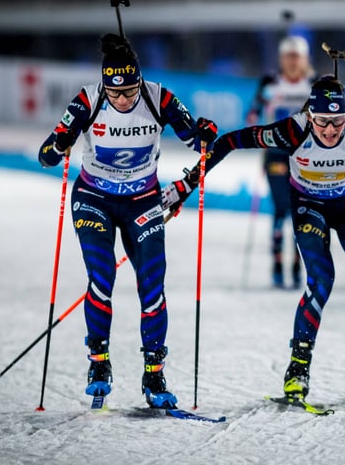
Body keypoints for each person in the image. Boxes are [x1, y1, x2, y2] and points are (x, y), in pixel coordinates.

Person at [163, 75, 345, 401]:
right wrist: (186, 185)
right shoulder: (292, 130)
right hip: (310, 206)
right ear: (310, 114)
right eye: (323, 121)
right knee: (322, 280)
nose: (331, 130)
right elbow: (228, 142)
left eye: (337, 122)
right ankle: (298, 368)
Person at [38, 33, 218, 408]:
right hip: (94, 199)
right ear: (105, 85)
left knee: (152, 283)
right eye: (115, 93)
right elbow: (46, 156)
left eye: (130, 92)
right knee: (102, 277)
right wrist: (58, 144)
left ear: (140, 81)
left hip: (142, 201)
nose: (123, 100)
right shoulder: (88, 99)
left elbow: (199, 143)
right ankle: (99, 364)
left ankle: (154, 373)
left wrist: (204, 136)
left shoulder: (158, 97)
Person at [246, 35, 315, 288]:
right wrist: (259, 113)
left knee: (302, 211)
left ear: (305, 59)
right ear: (281, 59)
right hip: (275, 154)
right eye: (288, 57)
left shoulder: (313, 84)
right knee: (281, 207)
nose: (292, 62)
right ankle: (277, 265)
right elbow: (251, 114)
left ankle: (298, 266)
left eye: (297, 57)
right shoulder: (270, 82)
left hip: (305, 157)